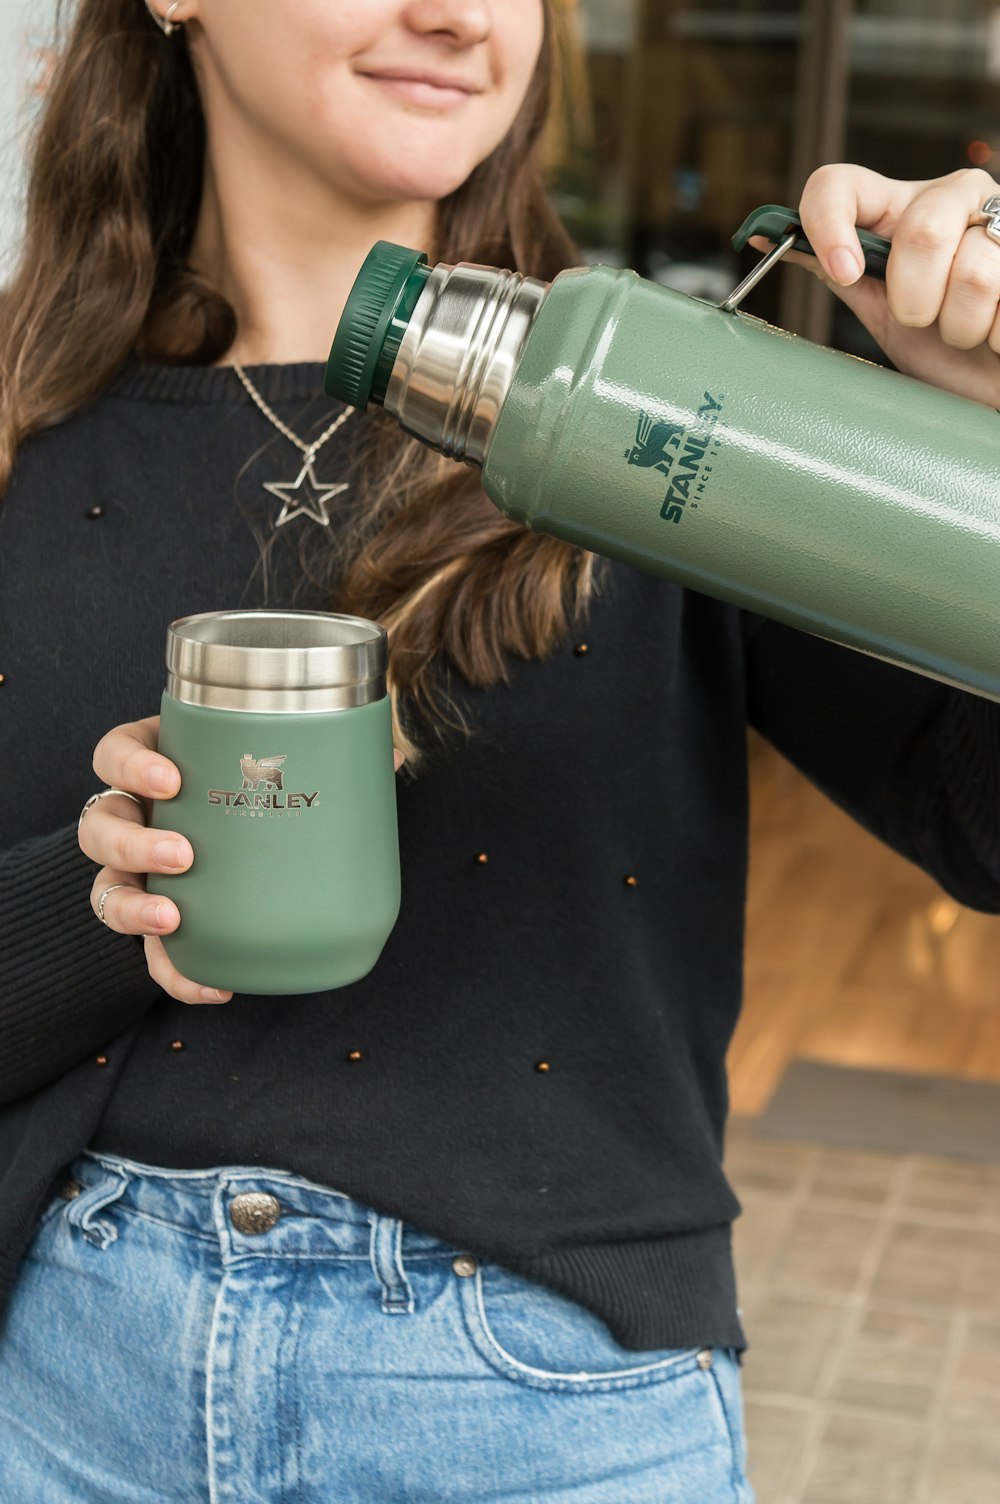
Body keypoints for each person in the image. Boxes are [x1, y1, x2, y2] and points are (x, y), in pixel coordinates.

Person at [1, 1, 999, 1499]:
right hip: (72, 1387)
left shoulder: (677, 423)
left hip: (544, 1416)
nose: (457, 14)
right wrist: (105, 901)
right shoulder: (23, 428)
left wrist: (969, 448)